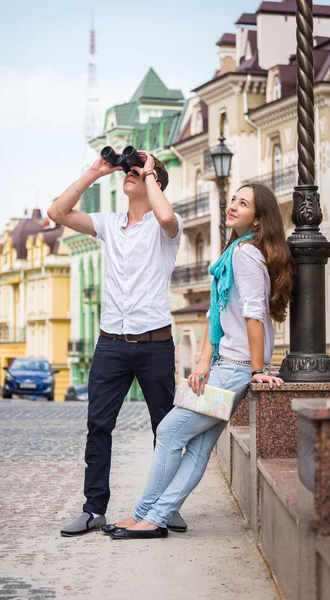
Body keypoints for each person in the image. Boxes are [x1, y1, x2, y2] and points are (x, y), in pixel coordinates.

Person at [106, 182, 294, 539]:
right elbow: (217, 315)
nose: (234, 205)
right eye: (234, 200)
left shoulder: (246, 255)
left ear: (259, 219)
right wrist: (204, 364)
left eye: (244, 203)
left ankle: (147, 514)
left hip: (236, 368)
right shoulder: (234, 253)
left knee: (169, 432)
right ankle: (155, 516)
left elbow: (254, 315)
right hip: (225, 366)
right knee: (198, 446)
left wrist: (257, 370)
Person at [47, 149, 186, 536]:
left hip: (156, 344)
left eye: (139, 171)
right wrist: (94, 172)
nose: (131, 173)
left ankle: (165, 507)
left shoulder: (168, 227)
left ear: (154, 181)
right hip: (111, 343)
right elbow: (57, 213)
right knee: (98, 426)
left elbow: (165, 215)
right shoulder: (109, 223)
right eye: (129, 169)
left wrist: (151, 171)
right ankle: (94, 510)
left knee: (165, 428)